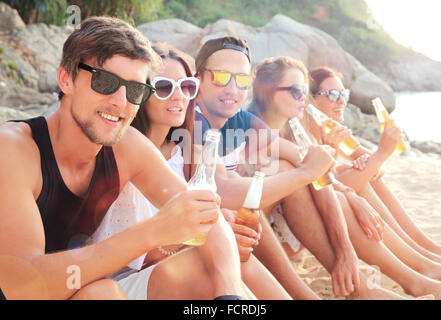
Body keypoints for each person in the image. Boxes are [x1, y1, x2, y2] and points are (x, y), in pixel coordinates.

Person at [0, 17, 248, 300]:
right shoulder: (14, 150)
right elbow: (18, 286)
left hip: (81, 286)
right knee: (101, 293)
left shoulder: (126, 145)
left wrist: (230, 297)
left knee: (206, 270)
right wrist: (152, 232)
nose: (121, 102)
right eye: (105, 82)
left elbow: (208, 218)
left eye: (135, 90)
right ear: (66, 79)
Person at [193, 36, 418, 299]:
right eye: (220, 77)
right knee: (282, 171)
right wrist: (374, 157)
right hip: (204, 234)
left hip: (240, 227)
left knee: (291, 169)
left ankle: (368, 284)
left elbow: (311, 163)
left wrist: (347, 241)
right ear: (198, 79)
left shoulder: (243, 120)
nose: (232, 88)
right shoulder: (193, 121)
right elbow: (225, 189)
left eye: (241, 80)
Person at [89, 42, 292, 300]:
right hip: (117, 281)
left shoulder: (184, 152)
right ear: (140, 91)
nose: (179, 96)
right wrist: (198, 239)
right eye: (164, 87)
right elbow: (128, 257)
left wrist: (225, 232)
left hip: (169, 274)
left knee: (235, 257)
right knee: (205, 262)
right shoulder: (120, 150)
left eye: (186, 87)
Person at [249, 55, 441, 299]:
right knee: (315, 182)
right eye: (295, 91)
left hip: (294, 226)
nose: (340, 101)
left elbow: (354, 168)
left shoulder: (294, 126)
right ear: (265, 91)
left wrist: (355, 172)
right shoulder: (261, 131)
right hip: (267, 240)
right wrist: (374, 160)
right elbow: (316, 174)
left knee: (348, 186)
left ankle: (421, 259)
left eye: (343, 94)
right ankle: (410, 272)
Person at [307, 66, 441, 266]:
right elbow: (321, 186)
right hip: (313, 210)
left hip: (333, 197)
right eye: (332, 94)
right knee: (360, 176)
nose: (341, 100)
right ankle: (417, 252)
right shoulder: (304, 135)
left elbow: (377, 169)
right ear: (310, 100)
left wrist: (371, 161)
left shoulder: (333, 130)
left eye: (343, 93)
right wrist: (379, 155)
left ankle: (423, 246)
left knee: (364, 174)